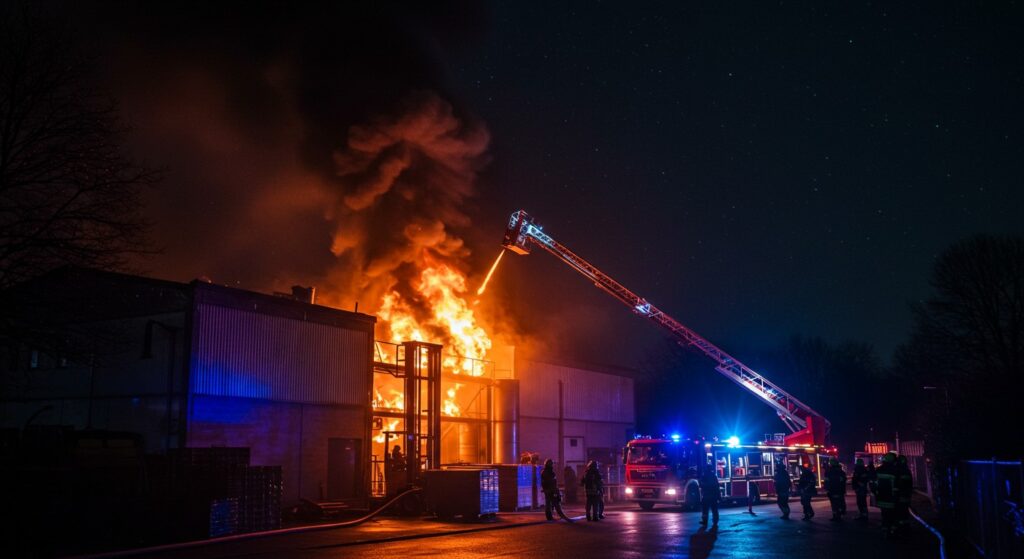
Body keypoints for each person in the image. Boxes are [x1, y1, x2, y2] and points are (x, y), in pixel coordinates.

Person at [873, 452, 899, 536]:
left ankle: (885, 530)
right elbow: (897, 485)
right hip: (891, 497)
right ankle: (892, 530)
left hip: (881, 497)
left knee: (884, 514)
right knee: (892, 515)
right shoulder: (895, 470)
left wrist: (875, 492)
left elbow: (874, 483)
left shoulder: (879, 469)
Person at [895, 455, 914, 533]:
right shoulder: (907, 470)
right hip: (906, 494)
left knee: (900, 511)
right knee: (905, 510)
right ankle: (906, 526)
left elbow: (897, 483)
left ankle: (901, 526)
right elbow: (910, 483)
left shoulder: (898, 470)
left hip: (900, 495)